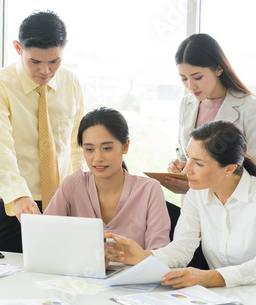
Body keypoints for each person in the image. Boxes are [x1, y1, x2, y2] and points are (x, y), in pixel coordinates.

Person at [106, 120, 256, 288]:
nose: (186, 170)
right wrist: (144, 256)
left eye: (198, 163)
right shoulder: (197, 193)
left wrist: (208, 278)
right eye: (188, 158)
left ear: (229, 168)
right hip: (223, 294)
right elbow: (182, 248)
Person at [0, 10, 84, 253]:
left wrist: (80, 192)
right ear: (18, 48)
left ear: (64, 47)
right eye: (35, 61)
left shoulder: (71, 83)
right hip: (9, 208)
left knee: (57, 283)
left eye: (54, 61)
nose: (45, 71)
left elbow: (77, 146)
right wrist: (19, 196)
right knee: (1, 286)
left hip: (61, 208)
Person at [45, 107, 170, 250]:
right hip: (79, 272)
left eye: (107, 148)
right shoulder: (72, 185)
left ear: (125, 146)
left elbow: (159, 254)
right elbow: (45, 237)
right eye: (89, 149)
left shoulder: (149, 190)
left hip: (138, 272)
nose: (97, 158)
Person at [166, 33, 256, 194]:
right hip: (196, 206)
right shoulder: (186, 105)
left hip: (235, 207)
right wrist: (179, 168)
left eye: (197, 77)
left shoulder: (252, 108)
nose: (191, 86)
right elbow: (185, 157)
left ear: (218, 68)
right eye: (184, 79)